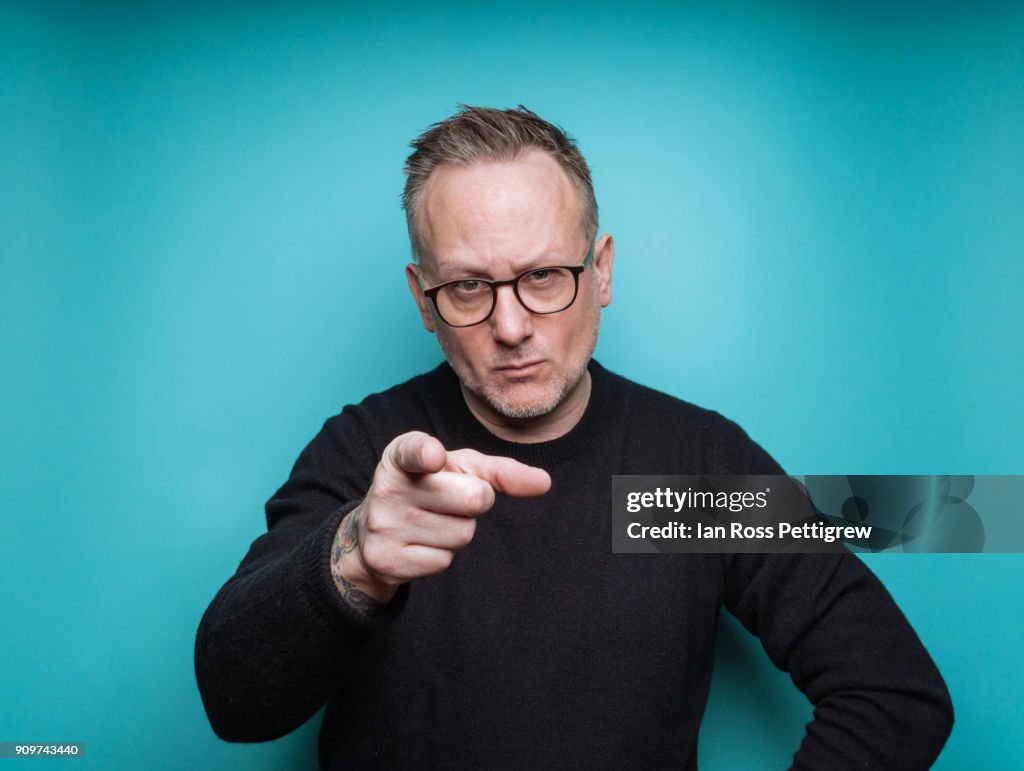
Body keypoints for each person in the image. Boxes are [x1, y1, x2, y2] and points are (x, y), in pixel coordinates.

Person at [195, 105, 953, 769]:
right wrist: (353, 560)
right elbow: (234, 703)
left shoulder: (692, 474)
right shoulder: (363, 451)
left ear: (603, 272)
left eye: (546, 275)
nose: (512, 325)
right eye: (467, 286)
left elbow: (893, 693)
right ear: (422, 301)